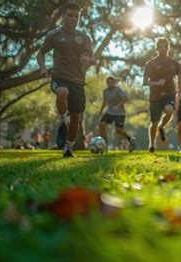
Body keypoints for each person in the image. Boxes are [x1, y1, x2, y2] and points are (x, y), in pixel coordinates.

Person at [37, 2, 95, 157]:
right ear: (63, 16)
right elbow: (41, 53)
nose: (73, 18)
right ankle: (63, 120)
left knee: (76, 118)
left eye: (76, 16)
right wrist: (43, 67)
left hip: (78, 81)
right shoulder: (54, 35)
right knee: (62, 92)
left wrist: (88, 59)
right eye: (70, 15)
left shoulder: (84, 37)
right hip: (59, 76)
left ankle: (68, 148)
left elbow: (91, 56)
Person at [143, 37, 181, 153]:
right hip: (155, 97)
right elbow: (145, 82)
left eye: (165, 46)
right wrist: (156, 83)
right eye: (160, 46)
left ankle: (162, 126)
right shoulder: (151, 64)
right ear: (156, 49)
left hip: (170, 93)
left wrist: (179, 92)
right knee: (154, 123)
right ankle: (151, 144)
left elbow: (180, 77)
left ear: (168, 48)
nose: (163, 49)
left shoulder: (173, 63)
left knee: (169, 109)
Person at [98, 76, 136, 152]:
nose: (110, 84)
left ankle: (130, 139)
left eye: (112, 82)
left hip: (120, 113)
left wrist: (117, 106)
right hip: (110, 112)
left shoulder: (118, 90)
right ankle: (105, 144)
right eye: (109, 83)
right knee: (101, 124)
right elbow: (105, 101)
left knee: (118, 130)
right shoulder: (105, 91)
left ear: (114, 83)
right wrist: (101, 110)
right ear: (107, 83)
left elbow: (125, 98)